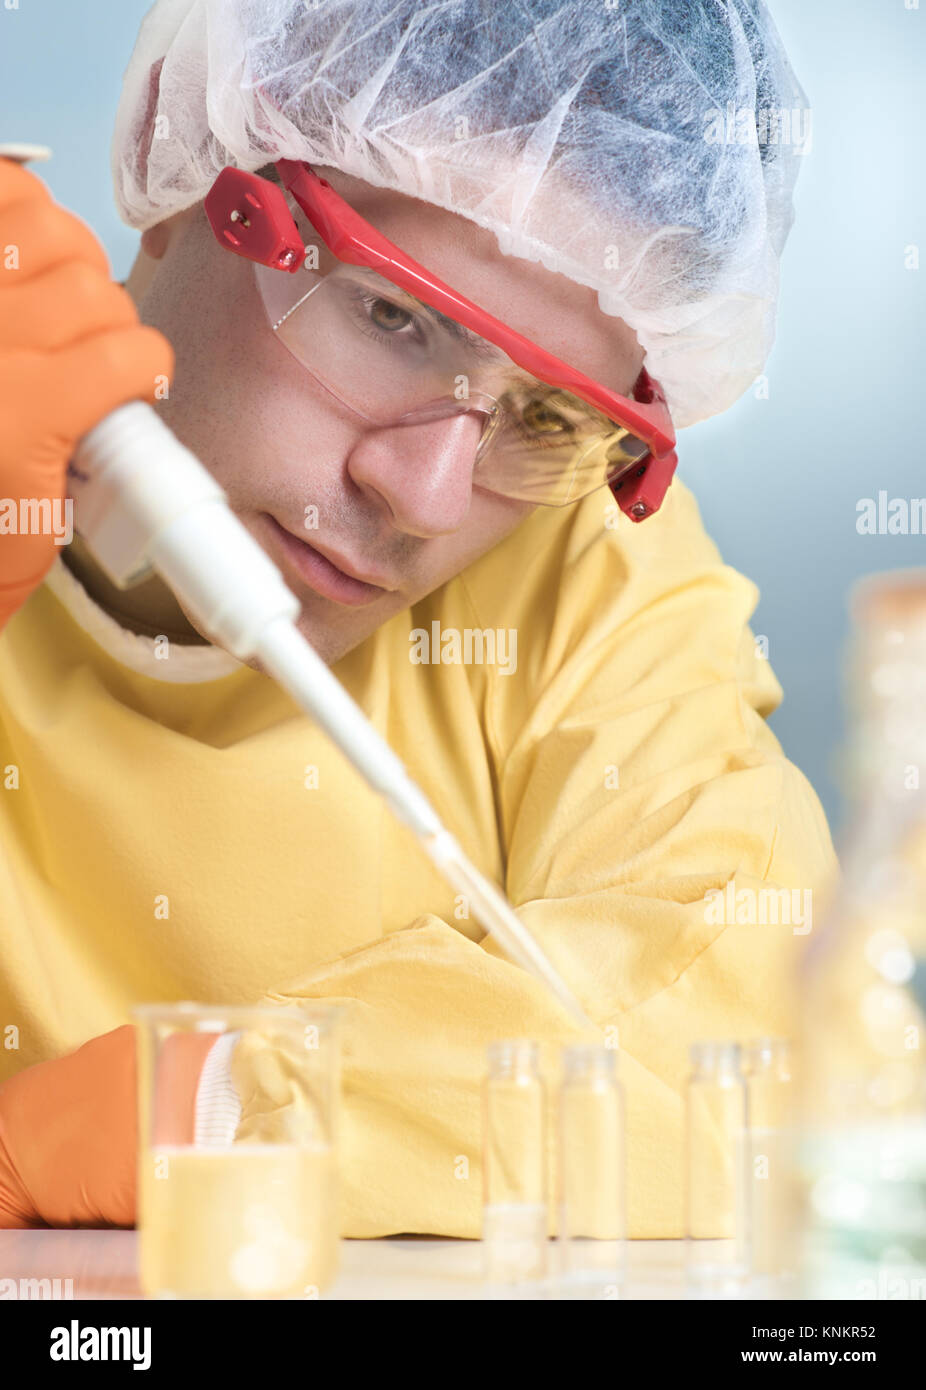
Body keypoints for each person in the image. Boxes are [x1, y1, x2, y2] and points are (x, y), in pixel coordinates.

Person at [0, 0, 835, 1239]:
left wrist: (207, 1107)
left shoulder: (575, 567)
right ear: (185, 167)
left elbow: (742, 1018)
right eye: (393, 319)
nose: (429, 495)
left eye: (547, 415)